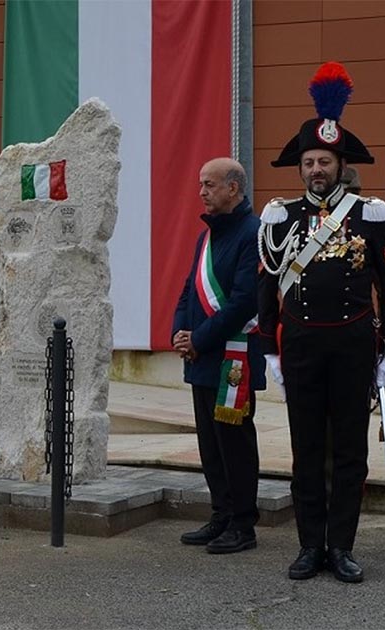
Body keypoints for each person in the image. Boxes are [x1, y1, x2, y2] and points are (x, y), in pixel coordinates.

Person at [258, 62, 385, 583]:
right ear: (300, 167)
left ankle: (341, 547)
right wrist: (269, 350)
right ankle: (308, 546)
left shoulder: (371, 214)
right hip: (299, 346)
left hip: (352, 345)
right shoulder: (280, 217)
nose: (316, 169)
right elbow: (266, 284)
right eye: (309, 161)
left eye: (325, 160)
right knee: (305, 450)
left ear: (342, 165)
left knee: (349, 452)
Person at [171, 158, 264, 554]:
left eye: (209, 185)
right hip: (202, 357)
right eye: (200, 185)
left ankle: (243, 524)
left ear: (233, 188)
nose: (202, 192)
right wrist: (178, 332)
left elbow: (245, 301)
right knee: (210, 444)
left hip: (233, 360)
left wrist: (199, 339)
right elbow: (190, 290)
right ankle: (221, 515)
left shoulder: (253, 233)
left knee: (234, 444)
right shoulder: (205, 238)